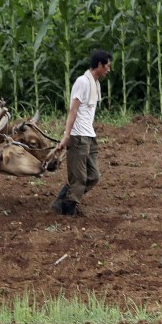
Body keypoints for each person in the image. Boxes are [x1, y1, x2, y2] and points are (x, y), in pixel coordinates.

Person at [49, 50, 112, 217]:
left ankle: (59, 204)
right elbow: (73, 110)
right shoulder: (82, 82)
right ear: (99, 65)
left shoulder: (95, 84)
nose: (109, 69)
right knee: (78, 178)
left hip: (89, 136)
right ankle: (67, 213)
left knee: (94, 176)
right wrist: (66, 135)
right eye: (107, 66)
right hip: (78, 137)